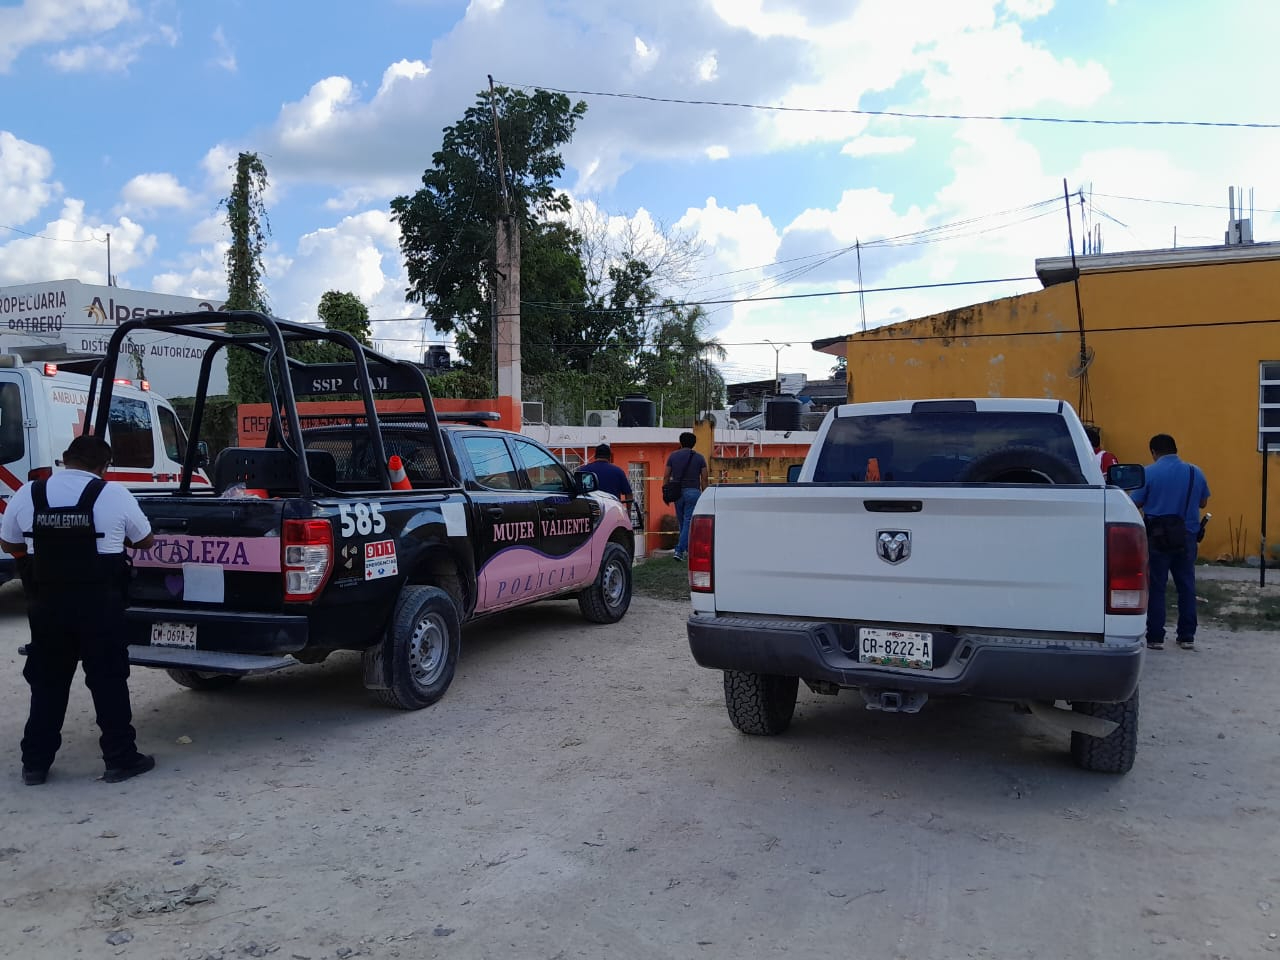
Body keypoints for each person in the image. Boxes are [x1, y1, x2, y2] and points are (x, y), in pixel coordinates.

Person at [0, 436, 156, 785]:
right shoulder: (113, 494)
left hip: (47, 608)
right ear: (104, 466)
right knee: (108, 682)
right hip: (100, 606)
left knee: (47, 684)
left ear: (65, 460)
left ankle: (35, 765)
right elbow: (145, 540)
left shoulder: (29, 493)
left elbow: (9, 543)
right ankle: (120, 759)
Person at [1130, 434, 1210, 651]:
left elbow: (1135, 501)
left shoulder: (1148, 472)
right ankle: (1187, 636)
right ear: (1175, 449)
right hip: (1187, 536)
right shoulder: (1196, 472)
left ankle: (1155, 636)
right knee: (1186, 585)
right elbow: (1203, 501)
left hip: (1157, 538)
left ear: (1154, 452)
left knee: (1157, 586)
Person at [665, 432, 707, 562]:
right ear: (694, 444)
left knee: (683, 522)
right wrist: (706, 494)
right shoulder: (700, 458)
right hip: (693, 492)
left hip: (677, 493)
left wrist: (665, 491)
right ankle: (679, 550)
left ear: (681, 442)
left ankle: (686, 550)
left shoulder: (673, 456)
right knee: (688, 522)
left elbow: (666, 476)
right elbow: (704, 479)